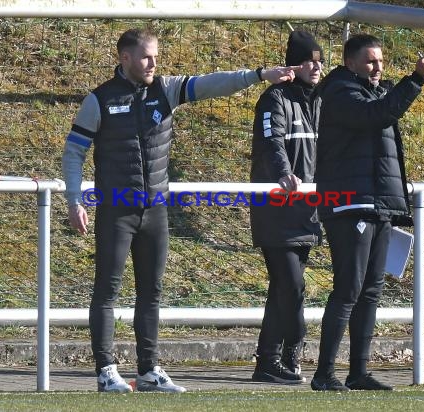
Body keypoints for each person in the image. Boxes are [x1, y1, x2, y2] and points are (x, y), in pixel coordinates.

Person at [61, 28, 299, 394]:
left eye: (155, 55)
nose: (153, 63)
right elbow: (73, 152)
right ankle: (106, 370)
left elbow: (210, 84)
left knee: (151, 293)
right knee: (106, 292)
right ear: (124, 58)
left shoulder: (166, 90)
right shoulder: (99, 100)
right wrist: (75, 199)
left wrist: (259, 75)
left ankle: (148, 370)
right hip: (115, 211)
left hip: (155, 211)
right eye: (145, 57)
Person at [310, 34, 424, 391]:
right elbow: (374, 117)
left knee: (371, 291)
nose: (378, 67)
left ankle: (358, 372)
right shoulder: (339, 92)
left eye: (380, 61)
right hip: (350, 204)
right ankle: (324, 374)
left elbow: (383, 121)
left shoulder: (376, 92)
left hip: (378, 203)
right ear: (350, 63)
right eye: (370, 61)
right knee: (348, 288)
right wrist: (415, 81)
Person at [249, 30, 324, 385]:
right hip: (277, 209)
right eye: (311, 59)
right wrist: (284, 174)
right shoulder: (274, 99)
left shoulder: (321, 100)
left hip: (308, 210)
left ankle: (268, 361)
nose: (317, 65)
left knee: (282, 287)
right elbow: (271, 142)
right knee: (291, 286)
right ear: (295, 62)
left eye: (321, 59)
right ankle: (294, 346)